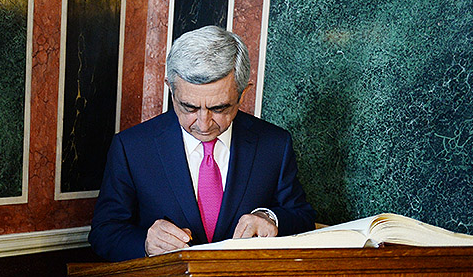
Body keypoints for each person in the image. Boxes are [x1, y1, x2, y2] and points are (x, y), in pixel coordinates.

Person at [89, 25, 315, 261]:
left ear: (243, 93)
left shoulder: (274, 144)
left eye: (219, 108)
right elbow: (104, 233)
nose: (203, 124)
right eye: (189, 107)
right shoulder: (131, 147)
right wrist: (146, 244)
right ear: (171, 89)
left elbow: (302, 216)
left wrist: (270, 218)